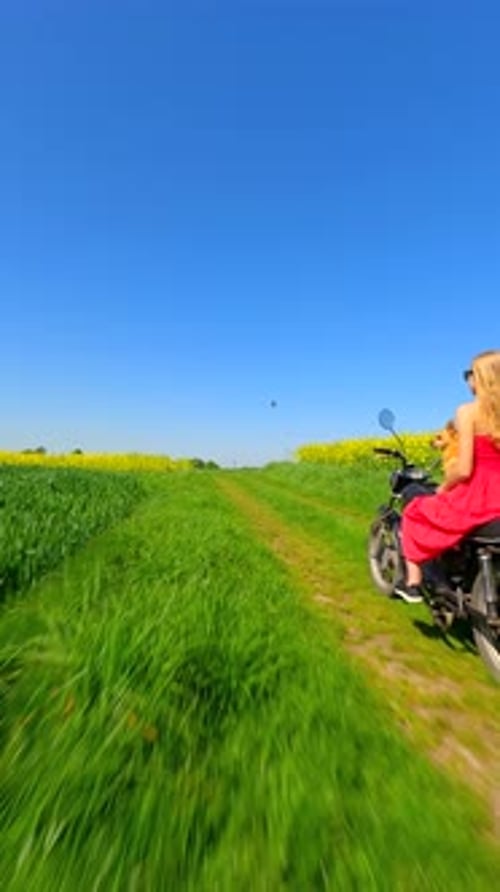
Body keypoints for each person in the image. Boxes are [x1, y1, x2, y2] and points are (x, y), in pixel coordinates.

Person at [394, 350, 500, 603]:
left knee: (416, 511)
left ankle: (413, 583)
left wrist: (444, 486)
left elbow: (464, 469)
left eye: (470, 374)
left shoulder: (468, 412)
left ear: (482, 378)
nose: (468, 380)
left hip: (478, 493)